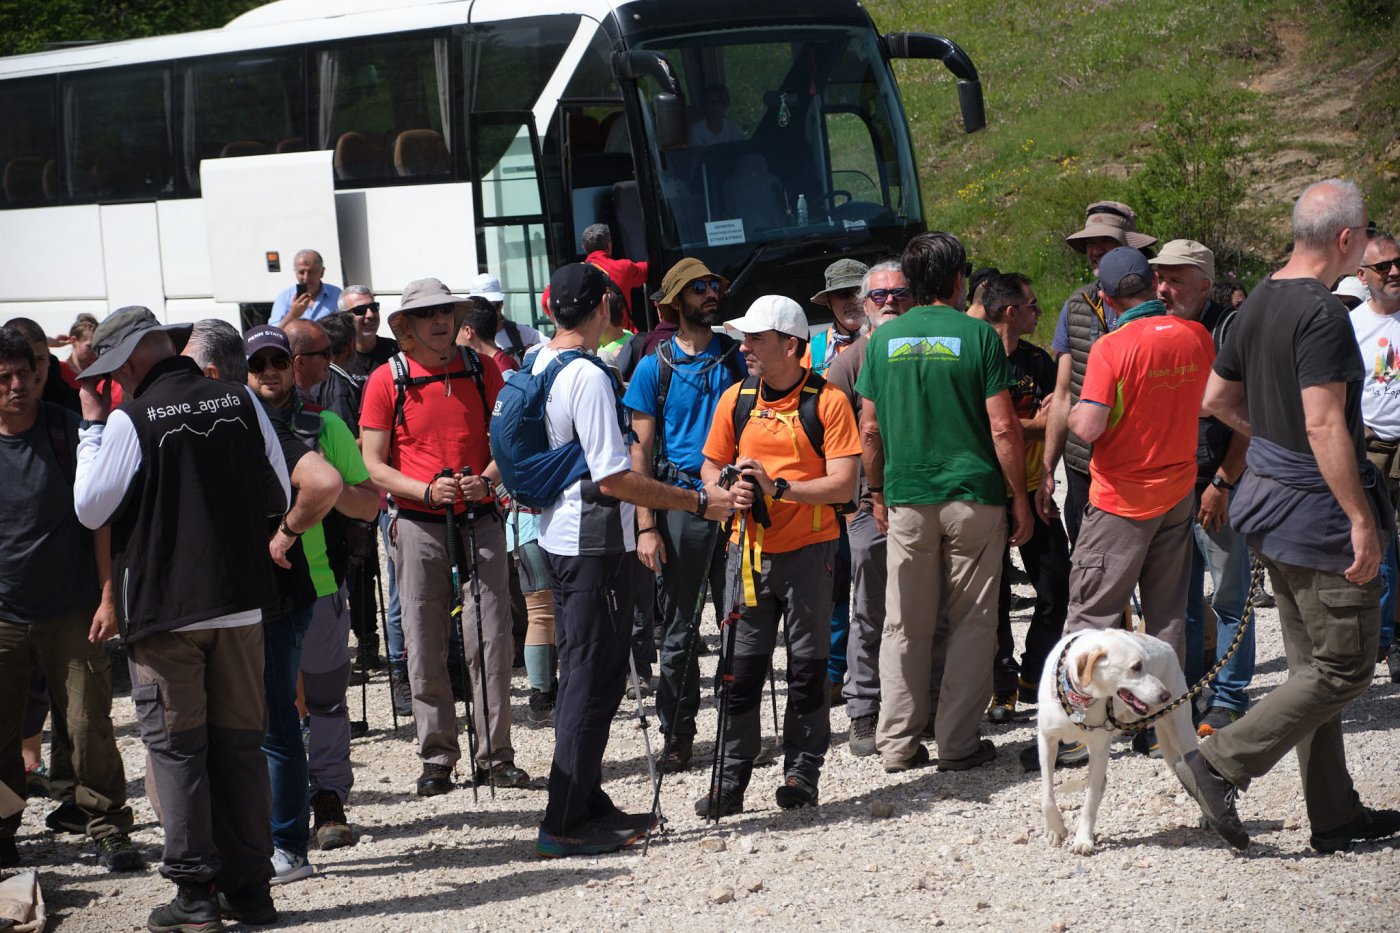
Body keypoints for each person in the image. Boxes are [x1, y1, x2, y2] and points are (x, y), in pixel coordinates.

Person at [1186, 179, 1400, 854]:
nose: (1369, 246)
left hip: (1270, 507)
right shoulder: (1322, 313)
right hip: (1316, 518)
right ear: (1345, 239)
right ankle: (1217, 763)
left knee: (1310, 666)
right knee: (1344, 668)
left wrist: (1270, 442)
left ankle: (1333, 814)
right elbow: (1325, 421)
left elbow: (1217, 397)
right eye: (1365, 235)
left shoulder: (1259, 299)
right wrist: (1361, 520)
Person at [73, 306, 291, 930]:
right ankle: (251, 891)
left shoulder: (127, 419)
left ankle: (195, 894)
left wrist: (92, 427)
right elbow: (278, 490)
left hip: (167, 611)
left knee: (178, 752)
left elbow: (91, 509)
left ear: (129, 362)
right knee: (241, 749)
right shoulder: (238, 400)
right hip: (240, 602)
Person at [528, 262, 748, 857]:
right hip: (595, 545)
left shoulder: (540, 362)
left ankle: (587, 798)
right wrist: (696, 501)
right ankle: (565, 820)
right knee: (590, 683)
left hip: (563, 537)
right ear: (603, 306)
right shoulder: (591, 377)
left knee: (589, 674)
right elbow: (616, 477)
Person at [856, 232, 1030, 775]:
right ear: (958, 281)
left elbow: (869, 428)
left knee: (904, 624)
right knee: (972, 622)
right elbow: (1003, 427)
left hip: (908, 497)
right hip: (974, 496)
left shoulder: (882, 342)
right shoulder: (977, 335)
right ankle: (957, 742)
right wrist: (1020, 497)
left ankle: (897, 743)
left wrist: (878, 492)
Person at [359, 278, 528, 795]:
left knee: (493, 640)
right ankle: (437, 758)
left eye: (445, 312)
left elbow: (511, 443)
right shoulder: (387, 379)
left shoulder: (483, 370)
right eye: (427, 314)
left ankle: (495, 755)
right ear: (406, 325)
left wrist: (490, 477)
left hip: (480, 517)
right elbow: (372, 464)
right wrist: (426, 492)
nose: (439, 321)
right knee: (424, 641)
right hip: (416, 522)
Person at [695, 295, 860, 814]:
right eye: (744, 338)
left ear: (790, 346)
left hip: (811, 553)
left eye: (755, 339)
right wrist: (727, 490)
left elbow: (844, 484)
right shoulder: (735, 400)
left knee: (808, 670)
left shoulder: (828, 400)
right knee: (738, 670)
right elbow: (708, 468)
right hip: (746, 554)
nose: (744, 347)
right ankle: (728, 781)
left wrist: (778, 488)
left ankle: (801, 773)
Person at [0, 328, 140, 873]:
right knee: (2, 732)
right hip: (4, 616)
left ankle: (106, 826)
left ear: (40, 374)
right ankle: (5, 828)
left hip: (73, 609)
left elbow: (99, 518)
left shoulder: (66, 432)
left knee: (88, 726)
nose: (17, 385)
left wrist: (108, 596)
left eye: (25, 374)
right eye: (4, 377)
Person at [243, 324, 359, 884]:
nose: (269, 372)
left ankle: (329, 801)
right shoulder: (233, 423)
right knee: (275, 713)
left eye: (277, 362)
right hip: (255, 591)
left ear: (294, 366)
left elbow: (364, 500)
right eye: (257, 363)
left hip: (319, 582)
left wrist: (322, 492)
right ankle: (277, 822)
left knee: (327, 702)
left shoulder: (325, 424)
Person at [624, 258, 745, 773]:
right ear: (676, 302)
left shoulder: (738, 358)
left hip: (736, 504)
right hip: (681, 506)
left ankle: (738, 733)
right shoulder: (654, 365)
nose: (711, 293)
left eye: (714, 283)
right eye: (699, 288)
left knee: (741, 625)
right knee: (679, 628)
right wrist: (646, 525)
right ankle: (678, 733)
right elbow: (640, 456)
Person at [1063, 248, 1212, 663]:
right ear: (1154, 285)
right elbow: (1206, 405)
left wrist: (1074, 414)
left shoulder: (1111, 347)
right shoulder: (1196, 335)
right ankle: (1160, 723)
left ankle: (1083, 724)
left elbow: (1089, 426)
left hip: (1121, 500)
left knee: (1091, 617)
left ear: (1107, 301)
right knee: (1167, 617)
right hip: (1178, 493)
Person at [1149, 240, 1258, 735]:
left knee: (1230, 596)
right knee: (1181, 600)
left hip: (1217, 483)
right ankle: (1190, 691)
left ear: (1205, 285)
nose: (1163, 289)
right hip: (1169, 488)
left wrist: (1223, 481)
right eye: (1159, 279)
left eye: (1174, 280)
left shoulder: (1229, 330)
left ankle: (1230, 696)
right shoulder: (1159, 326)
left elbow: (1248, 418)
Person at [822, 260, 914, 755]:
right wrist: (855, 501)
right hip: (866, 505)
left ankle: (922, 704)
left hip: (923, 497)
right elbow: (829, 441)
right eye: (880, 298)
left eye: (900, 294)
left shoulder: (925, 348)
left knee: (925, 608)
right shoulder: (847, 364)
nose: (890, 303)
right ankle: (863, 707)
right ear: (865, 304)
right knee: (870, 608)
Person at [977, 274, 1070, 727]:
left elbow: (1061, 419)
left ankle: (1034, 674)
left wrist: (1025, 426)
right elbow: (985, 430)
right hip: (986, 495)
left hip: (1035, 489)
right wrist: (1030, 422)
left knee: (1057, 585)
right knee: (993, 601)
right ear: (1012, 312)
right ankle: (1001, 686)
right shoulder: (974, 356)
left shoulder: (1038, 361)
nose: (1039, 312)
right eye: (1032, 306)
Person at [1040, 202, 1157, 546]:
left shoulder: (1161, 306)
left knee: (1147, 560)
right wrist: (1048, 468)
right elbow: (1063, 394)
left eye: (1105, 242)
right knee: (1087, 556)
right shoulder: (1076, 304)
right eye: (1090, 244)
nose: (1094, 251)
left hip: (1143, 458)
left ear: (1130, 249)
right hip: (1083, 461)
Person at [1350, 231, 1400, 683]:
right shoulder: (1352, 326)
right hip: (1372, 451)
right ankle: (1378, 640)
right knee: (1379, 549)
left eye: (1398, 262)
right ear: (1362, 276)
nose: (1395, 271)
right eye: (1383, 267)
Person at [3, 317, 80, 413]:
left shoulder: (74, 409)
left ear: (48, 357)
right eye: (24, 361)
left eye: (39, 360)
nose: (33, 370)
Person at [580, 223, 647, 330]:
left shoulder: (575, 275)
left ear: (585, 248)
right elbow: (647, 269)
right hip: (623, 339)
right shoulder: (624, 267)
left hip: (593, 340)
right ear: (609, 245)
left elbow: (546, 298)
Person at [469, 272, 544, 367]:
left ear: (500, 306)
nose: (486, 313)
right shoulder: (463, 339)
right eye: (479, 308)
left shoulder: (524, 334)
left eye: (491, 307)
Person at [340, 285, 399, 378]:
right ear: (343, 317)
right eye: (360, 310)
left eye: (373, 307)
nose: (370, 315)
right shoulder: (334, 357)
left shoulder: (396, 352)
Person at [272, 249, 343, 325]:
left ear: (322, 272)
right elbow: (273, 334)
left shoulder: (336, 295)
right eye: (301, 272)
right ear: (295, 273)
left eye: (311, 272)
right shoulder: (285, 298)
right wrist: (292, 315)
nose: (306, 278)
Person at [456, 297, 519, 377]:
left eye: (456, 330)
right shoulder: (504, 363)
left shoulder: (500, 371)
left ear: (468, 331)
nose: (454, 337)